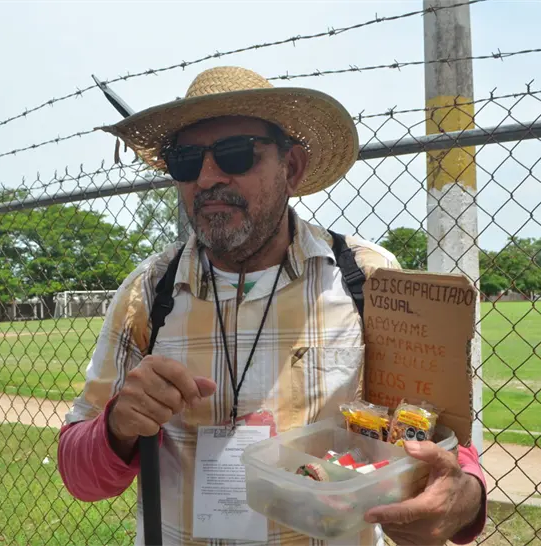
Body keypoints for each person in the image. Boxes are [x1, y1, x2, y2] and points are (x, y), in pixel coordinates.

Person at [58, 66, 487, 546]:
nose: (205, 178)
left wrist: (464, 495)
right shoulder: (148, 292)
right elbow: (81, 475)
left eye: (234, 154)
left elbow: (438, 435)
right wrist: (117, 426)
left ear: (293, 168)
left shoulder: (365, 279)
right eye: (185, 160)